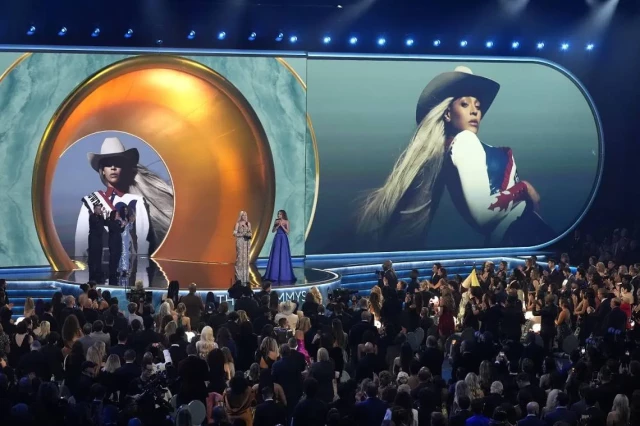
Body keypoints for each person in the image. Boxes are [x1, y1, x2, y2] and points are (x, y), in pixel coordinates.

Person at [358, 66, 553, 249]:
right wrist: (524, 188)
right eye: (465, 104)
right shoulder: (465, 141)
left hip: (514, 237)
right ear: (448, 114)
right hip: (519, 233)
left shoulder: (454, 147)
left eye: (478, 105)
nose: (475, 110)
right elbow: (483, 215)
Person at [75, 136, 174, 259]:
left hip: (134, 272)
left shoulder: (138, 202)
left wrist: (142, 274)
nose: (113, 167)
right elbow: (80, 247)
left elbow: (143, 244)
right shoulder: (89, 202)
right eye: (107, 164)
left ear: (124, 168)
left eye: (118, 163)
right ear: (102, 171)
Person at [263, 210, 296, 283]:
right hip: (277, 238)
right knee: (276, 256)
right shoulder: (276, 221)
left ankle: (284, 275)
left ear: (283, 215)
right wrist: (277, 226)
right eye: (278, 214)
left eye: (280, 214)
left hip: (283, 239)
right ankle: (273, 275)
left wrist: (282, 226)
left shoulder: (286, 221)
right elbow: (273, 231)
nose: (278, 215)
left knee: (283, 255)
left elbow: (287, 232)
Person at [233, 211, 252, 284]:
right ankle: (239, 277)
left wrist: (248, 234)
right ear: (240, 216)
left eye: (245, 215)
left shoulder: (248, 223)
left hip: (246, 242)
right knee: (240, 259)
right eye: (243, 215)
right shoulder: (238, 224)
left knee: (246, 259)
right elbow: (234, 233)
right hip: (240, 242)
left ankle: (245, 277)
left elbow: (250, 232)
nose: (244, 216)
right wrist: (242, 234)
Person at [106, 210, 125, 286]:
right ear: (113, 215)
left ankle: (115, 270)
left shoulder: (117, 222)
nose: (118, 215)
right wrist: (121, 225)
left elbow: (120, 230)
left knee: (118, 256)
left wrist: (122, 226)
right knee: (113, 257)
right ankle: (112, 272)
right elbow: (115, 229)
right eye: (117, 214)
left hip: (118, 242)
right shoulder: (111, 222)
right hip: (113, 243)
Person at [88, 203, 105, 283]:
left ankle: (99, 272)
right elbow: (98, 224)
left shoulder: (100, 217)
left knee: (99, 256)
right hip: (93, 240)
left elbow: (103, 223)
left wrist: (103, 216)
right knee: (93, 257)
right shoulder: (92, 217)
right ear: (94, 209)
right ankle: (92, 274)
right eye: (98, 209)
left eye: (100, 209)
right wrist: (102, 216)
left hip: (99, 240)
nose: (99, 210)